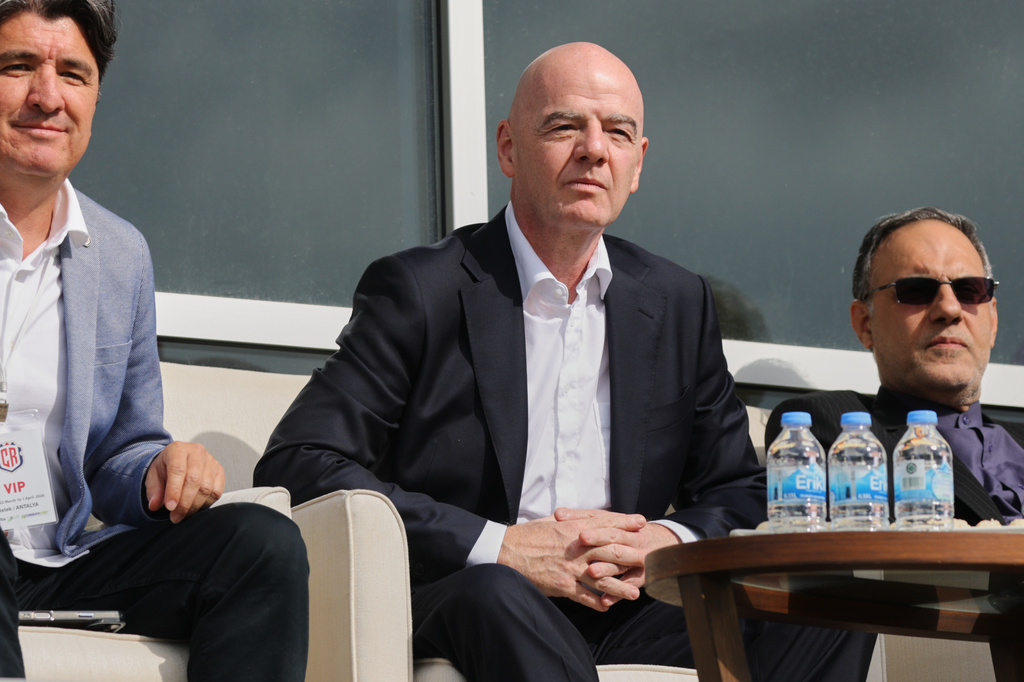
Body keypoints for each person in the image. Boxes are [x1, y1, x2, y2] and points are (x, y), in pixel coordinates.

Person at [257, 42, 873, 681]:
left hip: (633, 603)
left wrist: (665, 542)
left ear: (637, 163)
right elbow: (302, 460)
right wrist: (505, 547)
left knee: (829, 596)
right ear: (508, 148)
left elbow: (738, 487)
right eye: (563, 126)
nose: (594, 149)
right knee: (496, 592)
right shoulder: (420, 291)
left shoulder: (677, 301)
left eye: (617, 132)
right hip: (474, 594)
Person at [0, 1, 309, 678]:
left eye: (73, 75)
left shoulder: (119, 254)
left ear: (97, 95)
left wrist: (156, 473)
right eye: (17, 66)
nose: (47, 97)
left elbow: (122, 449)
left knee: (261, 544)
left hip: (57, 556)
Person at [766, 207, 1022, 526]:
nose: (950, 308)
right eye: (916, 290)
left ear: (993, 320)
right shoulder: (836, 430)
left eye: (969, 290)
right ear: (865, 324)